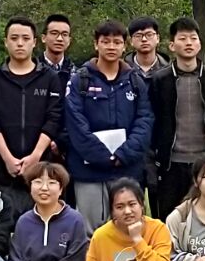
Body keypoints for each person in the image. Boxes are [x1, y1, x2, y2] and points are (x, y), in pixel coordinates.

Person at [65, 21, 155, 229]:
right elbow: (75, 123)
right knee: (90, 232)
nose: (111, 47)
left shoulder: (135, 81)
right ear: (96, 44)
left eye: (117, 42)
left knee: (130, 228)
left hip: (127, 169)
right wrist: (102, 156)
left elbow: (144, 120)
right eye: (105, 42)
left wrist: (123, 154)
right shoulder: (80, 80)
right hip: (89, 171)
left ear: (125, 46)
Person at [0, 16, 66, 218]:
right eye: (14, 38)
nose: (20, 43)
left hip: (41, 169)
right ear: (5, 41)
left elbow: (54, 118)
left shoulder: (49, 78)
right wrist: (8, 158)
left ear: (34, 42)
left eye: (25, 38)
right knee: (3, 224)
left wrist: (35, 157)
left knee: (40, 223)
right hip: (2, 170)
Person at [148, 16, 205, 215]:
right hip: (171, 163)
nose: (188, 43)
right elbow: (153, 121)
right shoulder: (160, 80)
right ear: (172, 45)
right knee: (169, 218)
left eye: (193, 38)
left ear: (200, 44)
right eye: (182, 38)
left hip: (204, 161)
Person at [126, 17, 172, 83]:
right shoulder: (123, 70)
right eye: (138, 36)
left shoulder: (170, 71)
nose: (144, 39)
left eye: (149, 35)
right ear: (131, 41)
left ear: (158, 38)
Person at [40, 13, 76, 77]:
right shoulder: (32, 71)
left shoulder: (76, 74)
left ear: (69, 40)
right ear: (43, 38)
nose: (60, 39)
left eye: (64, 34)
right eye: (54, 33)